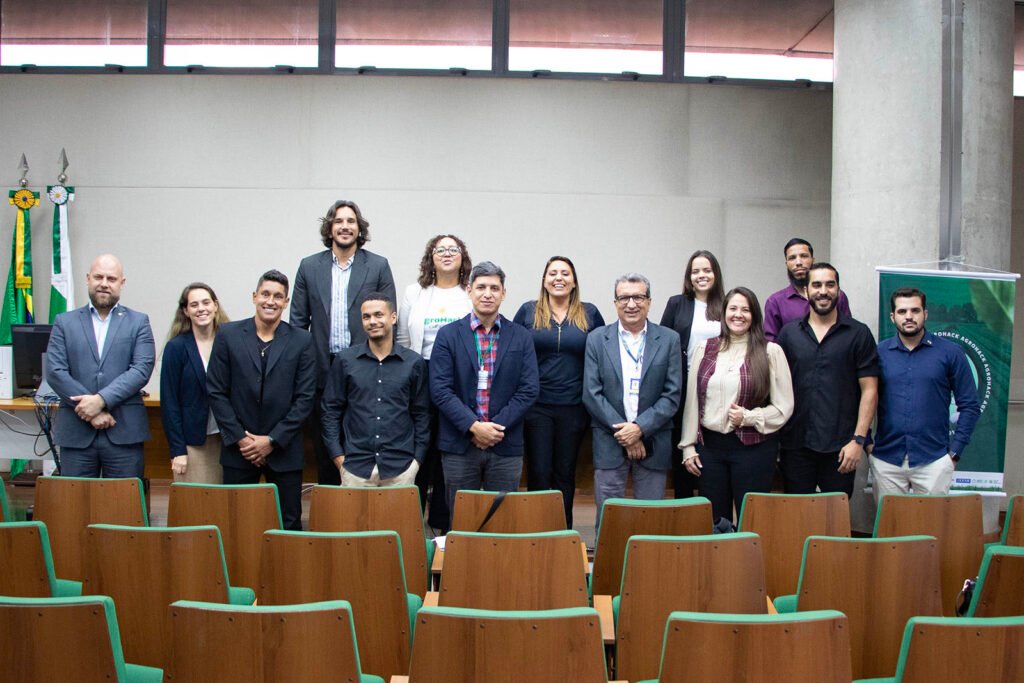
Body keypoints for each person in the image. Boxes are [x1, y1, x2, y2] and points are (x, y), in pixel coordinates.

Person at [291, 200, 396, 486]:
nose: (345, 226)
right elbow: (298, 324)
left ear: (359, 228)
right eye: (339, 221)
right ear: (330, 227)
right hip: (321, 372)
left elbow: (388, 322)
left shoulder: (377, 266)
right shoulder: (309, 266)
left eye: (351, 221)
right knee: (326, 444)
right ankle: (331, 513)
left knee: (364, 438)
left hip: (365, 370)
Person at [429, 261, 539, 519]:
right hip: (460, 443)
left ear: (504, 293)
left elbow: (529, 389)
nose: (487, 294)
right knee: (461, 520)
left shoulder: (521, 336)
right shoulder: (448, 335)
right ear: (469, 290)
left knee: (501, 521)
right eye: (481, 287)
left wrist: (493, 428)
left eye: (494, 288)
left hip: (505, 442)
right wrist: (474, 426)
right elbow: (440, 390)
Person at [207, 270, 316, 530]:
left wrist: (271, 441)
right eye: (265, 294)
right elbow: (216, 391)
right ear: (254, 297)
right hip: (238, 449)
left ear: (286, 302)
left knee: (288, 522)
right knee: (235, 522)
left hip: (284, 450)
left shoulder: (302, 340)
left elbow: (305, 398)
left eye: (278, 296)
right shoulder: (228, 335)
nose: (271, 301)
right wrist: (242, 439)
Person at [679, 287, 794, 524]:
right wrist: (688, 445)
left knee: (752, 521)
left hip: (754, 450)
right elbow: (693, 401)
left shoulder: (770, 352)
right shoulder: (705, 348)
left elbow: (784, 407)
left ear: (754, 316)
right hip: (709, 450)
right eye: (732, 308)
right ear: (723, 313)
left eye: (745, 309)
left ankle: (749, 562)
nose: (738, 314)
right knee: (715, 522)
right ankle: (718, 562)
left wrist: (750, 417)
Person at [583, 273, 682, 527]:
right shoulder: (596, 339)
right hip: (609, 441)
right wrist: (625, 433)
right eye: (624, 297)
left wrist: (639, 429)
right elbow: (592, 394)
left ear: (649, 301)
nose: (631, 304)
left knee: (651, 520)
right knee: (608, 520)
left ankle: (649, 568)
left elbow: (672, 395)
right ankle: (608, 569)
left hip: (654, 440)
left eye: (638, 297)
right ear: (615, 302)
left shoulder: (669, 339)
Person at [513, 256, 605, 527]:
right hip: (536, 406)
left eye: (565, 273)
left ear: (574, 281)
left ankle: (562, 532)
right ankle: (536, 530)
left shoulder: (589, 313)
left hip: (574, 407)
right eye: (552, 273)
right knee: (540, 472)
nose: (559, 278)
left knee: (564, 473)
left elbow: (602, 355)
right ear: (544, 280)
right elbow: (514, 353)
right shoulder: (528, 311)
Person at [46, 254, 155, 478]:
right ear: (88, 279)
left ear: (121, 283)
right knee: (75, 507)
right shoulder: (64, 322)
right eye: (98, 277)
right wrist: (90, 410)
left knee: (124, 507)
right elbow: (55, 371)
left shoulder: (139, 322)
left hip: (123, 432)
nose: (104, 283)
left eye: (111, 278)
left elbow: (141, 370)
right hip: (76, 433)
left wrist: (100, 401)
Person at [775, 263, 879, 497]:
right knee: (797, 515)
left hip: (842, 447)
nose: (823, 291)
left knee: (836, 520)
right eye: (817, 285)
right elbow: (776, 387)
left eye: (830, 285)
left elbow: (870, 389)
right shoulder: (789, 334)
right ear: (807, 291)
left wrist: (858, 441)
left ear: (838, 290)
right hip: (795, 445)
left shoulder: (858, 334)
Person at [870, 287, 980, 498]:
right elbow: (861, 399)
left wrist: (954, 454)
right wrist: (867, 445)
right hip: (886, 460)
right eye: (902, 312)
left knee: (933, 528)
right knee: (890, 528)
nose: (909, 316)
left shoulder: (950, 353)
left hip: (934, 461)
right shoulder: (878, 353)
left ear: (925, 314)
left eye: (915, 310)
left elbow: (970, 406)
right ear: (892, 316)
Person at [396, 234, 473, 530]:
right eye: (440, 249)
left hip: (458, 377)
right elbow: (403, 337)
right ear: (431, 257)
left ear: (462, 256)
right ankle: (412, 521)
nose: (446, 254)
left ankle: (443, 521)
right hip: (420, 372)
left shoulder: (470, 292)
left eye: (453, 249)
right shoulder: (414, 292)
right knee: (420, 445)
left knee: (450, 446)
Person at [322, 293, 430, 487]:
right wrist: (338, 457)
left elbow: (422, 414)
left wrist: (417, 461)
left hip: (401, 469)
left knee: (399, 519)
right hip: (355, 468)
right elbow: (331, 410)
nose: (373, 321)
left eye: (379, 315)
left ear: (393, 317)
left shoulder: (414, 363)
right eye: (366, 316)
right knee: (352, 519)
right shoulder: (345, 361)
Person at [660, 249, 725, 499]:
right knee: (683, 448)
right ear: (689, 276)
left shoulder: (727, 303)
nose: (701, 275)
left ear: (715, 274)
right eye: (695, 271)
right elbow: (664, 342)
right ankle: (684, 506)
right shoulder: (677, 303)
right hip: (684, 385)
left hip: (718, 387)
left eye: (707, 270)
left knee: (711, 447)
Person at [159, 282, 229, 483]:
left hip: (226, 441)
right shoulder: (176, 347)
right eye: (194, 305)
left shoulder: (229, 342)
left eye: (206, 302)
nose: (201, 309)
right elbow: (169, 402)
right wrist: (177, 449)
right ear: (186, 311)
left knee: (224, 507)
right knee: (194, 507)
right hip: (192, 444)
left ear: (215, 305)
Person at [764, 238, 851, 341]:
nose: (798, 262)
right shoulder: (775, 302)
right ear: (786, 263)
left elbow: (848, 332)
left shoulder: (837, 296)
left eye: (804, 256)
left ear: (813, 260)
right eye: (792, 258)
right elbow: (770, 345)